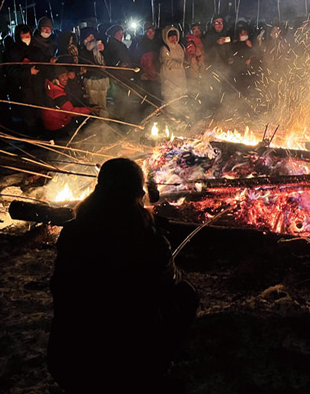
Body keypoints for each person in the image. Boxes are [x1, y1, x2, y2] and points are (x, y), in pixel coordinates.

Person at [48, 158, 198, 393]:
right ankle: (158, 367)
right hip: (125, 366)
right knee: (186, 295)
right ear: (138, 192)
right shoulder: (148, 239)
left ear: (99, 189)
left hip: (66, 359)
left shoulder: (72, 232)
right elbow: (169, 281)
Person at [160, 26, 188, 113]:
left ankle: (180, 116)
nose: (173, 38)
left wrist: (187, 63)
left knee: (180, 97)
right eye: (171, 36)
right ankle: (169, 116)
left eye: (175, 36)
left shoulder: (180, 47)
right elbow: (167, 61)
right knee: (170, 99)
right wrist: (180, 64)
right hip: (169, 77)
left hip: (180, 77)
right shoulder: (165, 48)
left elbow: (183, 59)